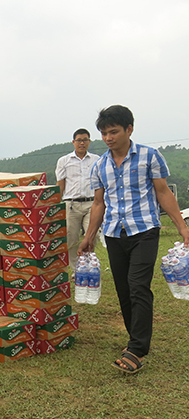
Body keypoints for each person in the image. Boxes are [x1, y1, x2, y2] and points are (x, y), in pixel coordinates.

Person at [78, 105, 189, 374]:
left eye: (113, 132)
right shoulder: (100, 165)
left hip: (145, 231)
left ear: (129, 129)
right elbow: (98, 203)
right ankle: (134, 341)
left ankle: (137, 349)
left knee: (138, 285)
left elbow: (163, 193)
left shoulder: (150, 156)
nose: (108, 138)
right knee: (124, 290)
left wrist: (182, 228)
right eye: (104, 133)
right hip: (114, 234)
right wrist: (89, 236)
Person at [55, 129, 101, 270]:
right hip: (71, 204)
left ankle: (88, 266)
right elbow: (60, 184)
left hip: (92, 203)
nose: (82, 143)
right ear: (73, 142)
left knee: (92, 236)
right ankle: (77, 269)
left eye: (85, 140)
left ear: (89, 142)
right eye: (79, 140)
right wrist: (56, 204)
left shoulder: (97, 159)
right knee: (71, 238)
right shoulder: (64, 161)